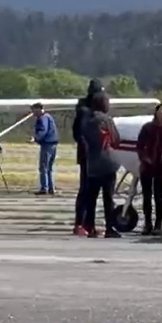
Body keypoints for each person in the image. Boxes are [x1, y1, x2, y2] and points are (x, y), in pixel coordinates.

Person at [79, 91, 122, 238]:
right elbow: (116, 138)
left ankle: (90, 226)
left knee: (91, 198)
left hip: (92, 163)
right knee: (108, 198)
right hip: (108, 162)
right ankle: (110, 227)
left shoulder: (86, 121)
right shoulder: (107, 120)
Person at [72, 79, 104, 237]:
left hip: (90, 154)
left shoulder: (84, 109)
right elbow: (80, 134)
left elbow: (76, 133)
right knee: (86, 189)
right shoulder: (87, 112)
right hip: (89, 154)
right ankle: (81, 223)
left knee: (88, 190)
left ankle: (86, 224)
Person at [136, 103, 162, 235]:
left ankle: (158, 225)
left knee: (158, 197)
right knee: (146, 197)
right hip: (147, 166)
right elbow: (139, 146)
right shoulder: (147, 128)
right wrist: (145, 158)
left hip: (161, 168)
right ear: (156, 113)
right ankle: (147, 223)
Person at [31, 102, 59, 195]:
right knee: (49, 168)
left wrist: (35, 138)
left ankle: (44, 188)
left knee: (43, 167)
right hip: (53, 144)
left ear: (39, 109)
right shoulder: (48, 117)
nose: (33, 112)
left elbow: (43, 130)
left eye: (34, 110)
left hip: (47, 144)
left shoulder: (42, 118)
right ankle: (51, 188)